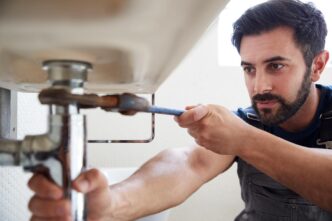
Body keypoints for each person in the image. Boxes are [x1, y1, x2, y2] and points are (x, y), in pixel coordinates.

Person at [28, 0, 332, 220]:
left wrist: (244, 139)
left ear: (317, 65)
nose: (259, 85)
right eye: (249, 69)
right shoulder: (249, 121)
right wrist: (113, 203)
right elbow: (190, 163)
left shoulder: (245, 131)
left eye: (276, 66)